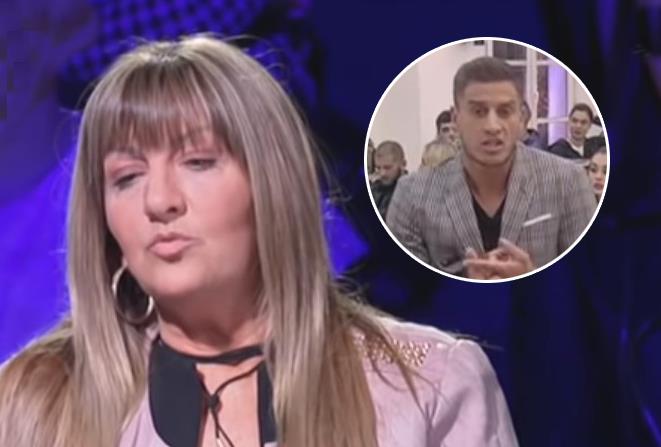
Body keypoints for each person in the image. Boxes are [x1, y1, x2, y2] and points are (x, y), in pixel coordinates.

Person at [0, 36, 518, 447]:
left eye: (198, 162)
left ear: (272, 186)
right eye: (127, 177)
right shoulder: (33, 400)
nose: (158, 201)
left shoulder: (428, 384)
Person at [387, 56, 597, 280]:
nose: (492, 126)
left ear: (521, 118)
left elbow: (595, 284)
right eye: (478, 112)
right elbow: (398, 290)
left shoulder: (568, 182)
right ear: (456, 118)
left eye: (505, 111)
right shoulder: (412, 196)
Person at [370, 140, 408, 219]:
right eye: (378, 168)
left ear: (403, 164)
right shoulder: (373, 189)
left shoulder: (412, 192)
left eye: (387, 168)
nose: (382, 173)